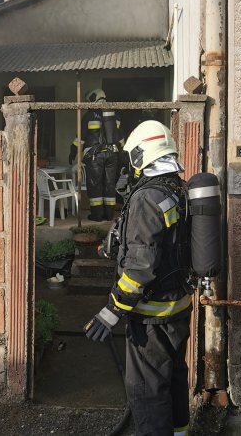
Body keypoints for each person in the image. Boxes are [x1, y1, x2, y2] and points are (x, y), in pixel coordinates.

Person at [83, 120, 192, 436]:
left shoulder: (147, 199)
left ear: (141, 155)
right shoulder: (179, 190)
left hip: (150, 318)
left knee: (147, 390)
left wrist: (111, 312)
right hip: (178, 308)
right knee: (174, 379)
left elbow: (140, 268)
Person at [68, 88, 123, 221]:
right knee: (110, 184)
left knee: (95, 185)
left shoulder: (89, 116)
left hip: (94, 156)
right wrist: (122, 155)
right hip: (112, 154)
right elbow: (120, 138)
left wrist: (73, 151)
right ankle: (109, 215)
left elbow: (80, 139)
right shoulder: (114, 115)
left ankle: (97, 215)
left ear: (92, 99)